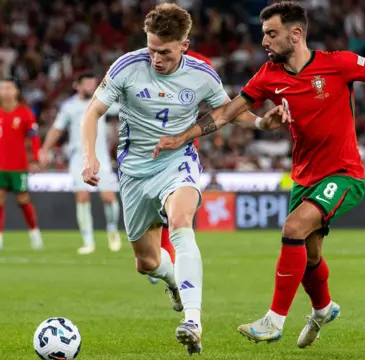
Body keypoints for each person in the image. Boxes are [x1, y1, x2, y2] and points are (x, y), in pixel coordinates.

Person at [153, 1, 365, 348]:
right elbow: (225, 114)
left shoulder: (337, 63)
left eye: (271, 33)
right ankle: (323, 309)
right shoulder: (268, 76)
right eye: (263, 33)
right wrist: (181, 137)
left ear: (295, 34)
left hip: (344, 173)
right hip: (304, 177)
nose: (264, 40)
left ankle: (274, 320)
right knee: (309, 256)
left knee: (293, 227)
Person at [80, 3, 287, 355]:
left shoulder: (202, 74)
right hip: (133, 172)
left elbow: (226, 113)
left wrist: (260, 123)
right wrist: (90, 156)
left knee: (180, 221)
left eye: (164, 52)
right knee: (146, 262)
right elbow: (93, 112)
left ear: (184, 45)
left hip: (178, 162)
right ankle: (176, 281)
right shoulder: (127, 67)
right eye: (151, 49)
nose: (156, 58)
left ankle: (192, 320)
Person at [39, 73, 122, 255]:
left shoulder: (102, 102)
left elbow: (123, 109)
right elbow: (57, 128)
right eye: (88, 84)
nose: (92, 87)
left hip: (101, 158)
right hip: (79, 158)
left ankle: (112, 230)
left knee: (108, 197)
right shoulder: (69, 107)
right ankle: (88, 241)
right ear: (77, 86)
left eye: (94, 83)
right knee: (82, 197)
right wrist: (45, 149)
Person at [149, 49, 212, 285]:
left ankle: (190, 308)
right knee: (146, 260)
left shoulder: (201, 64)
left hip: (182, 154)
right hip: (144, 154)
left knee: (176, 217)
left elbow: (220, 105)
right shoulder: (141, 60)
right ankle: (165, 267)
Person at [0, 78, 44, 251]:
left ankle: (35, 235)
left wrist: (36, 159)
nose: (6, 92)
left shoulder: (25, 113)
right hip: (0, 164)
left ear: (16, 91)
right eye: (2, 88)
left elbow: (34, 138)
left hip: (19, 165)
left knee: (23, 199)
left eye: (9, 88)